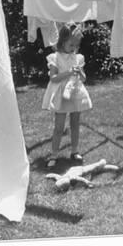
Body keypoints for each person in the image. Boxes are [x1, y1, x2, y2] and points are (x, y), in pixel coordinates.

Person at [42, 24, 92, 168]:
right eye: (71, 44)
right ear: (62, 41)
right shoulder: (55, 57)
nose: (74, 48)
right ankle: (54, 154)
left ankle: (74, 150)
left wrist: (80, 72)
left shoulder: (78, 58)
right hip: (61, 95)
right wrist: (69, 72)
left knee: (75, 123)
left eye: (76, 45)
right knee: (59, 126)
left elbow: (83, 79)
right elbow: (53, 78)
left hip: (75, 92)